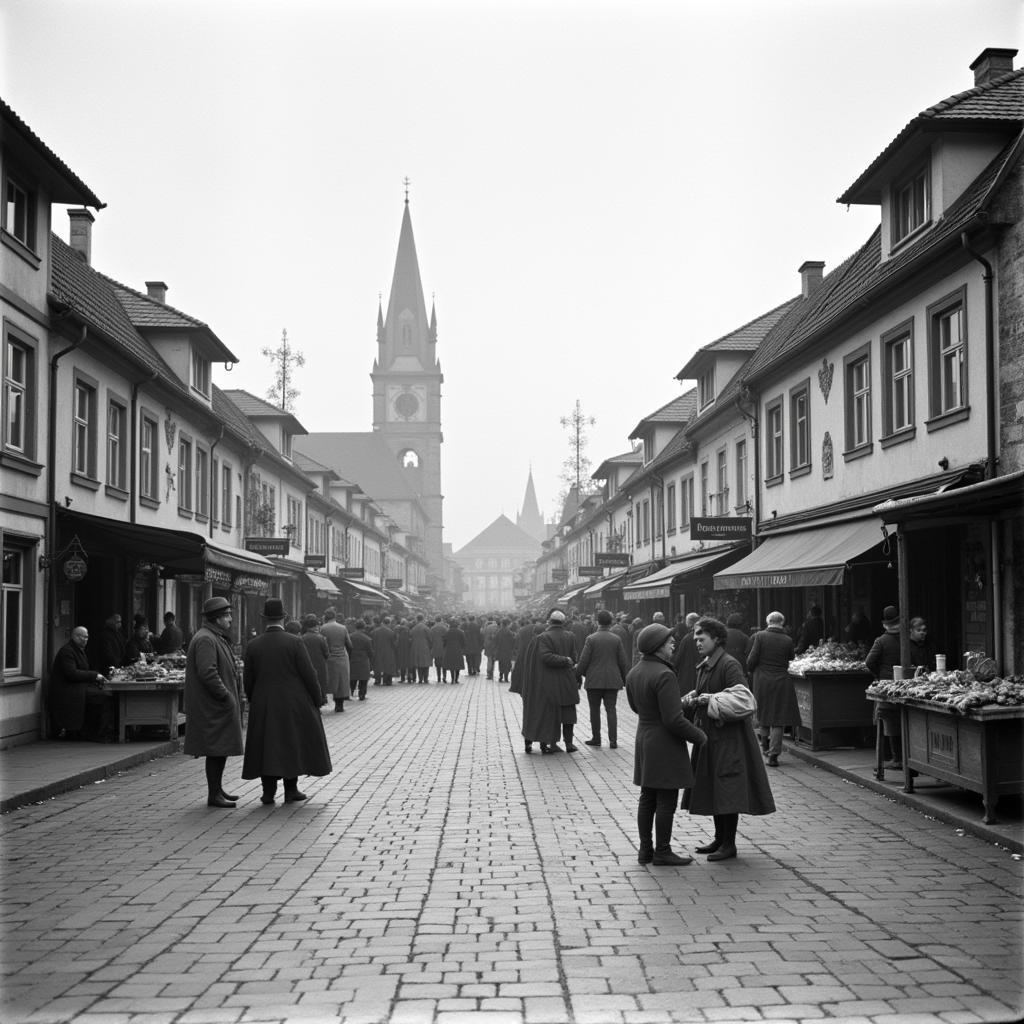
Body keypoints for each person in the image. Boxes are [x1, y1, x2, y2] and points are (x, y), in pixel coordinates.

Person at [681, 616, 776, 861]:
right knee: (715, 786)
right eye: (695, 639)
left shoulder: (728, 664)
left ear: (716, 639)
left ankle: (729, 844)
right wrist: (695, 696)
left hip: (729, 739)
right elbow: (709, 691)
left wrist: (707, 700)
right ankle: (719, 838)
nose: (697, 643)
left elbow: (742, 698)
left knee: (727, 788)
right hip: (711, 737)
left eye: (701, 638)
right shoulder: (708, 663)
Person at [626, 623, 707, 865]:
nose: (673, 644)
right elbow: (673, 719)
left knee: (647, 796)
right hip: (664, 743)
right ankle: (662, 851)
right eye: (668, 641)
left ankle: (645, 850)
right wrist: (699, 736)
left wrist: (679, 703)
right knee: (666, 800)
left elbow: (635, 707)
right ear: (657, 647)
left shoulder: (634, 672)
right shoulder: (665, 674)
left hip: (645, 737)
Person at [242, 598, 332, 805]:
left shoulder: (254, 645)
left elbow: (248, 678)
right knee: (291, 742)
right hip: (293, 700)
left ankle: (268, 792)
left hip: (264, 700)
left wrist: (252, 698)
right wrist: (317, 697)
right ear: (284, 618)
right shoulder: (295, 642)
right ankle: (291, 789)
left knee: (267, 744)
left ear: (264, 619)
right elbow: (309, 673)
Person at [183, 597, 244, 808]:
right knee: (216, 748)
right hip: (213, 705)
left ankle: (217, 789)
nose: (230, 619)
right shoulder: (206, 639)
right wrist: (226, 695)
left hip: (216, 705)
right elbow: (208, 672)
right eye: (227, 615)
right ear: (217, 618)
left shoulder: (213, 636)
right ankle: (214, 794)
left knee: (220, 748)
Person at [518, 609, 579, 754]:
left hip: (550, 682)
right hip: (567, 681)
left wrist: (563, 660)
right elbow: (574, 657)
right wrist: (568, 661)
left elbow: (546, 657)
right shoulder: (570, 636)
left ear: (549, 622)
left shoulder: (542, 638)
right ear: (563, 622)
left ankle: (553, 743)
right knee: (568, 713)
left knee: (552, 714)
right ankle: (569, 743)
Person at [746, 611, 799, 767]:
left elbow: (752, 658)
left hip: (762, 680)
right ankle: (774, 755)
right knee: (778, 718)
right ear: (782, 623)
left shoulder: (760, 636)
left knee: (763, 712)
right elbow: (791, 657)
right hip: (782, 680)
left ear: (768, 621)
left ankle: (764, 746)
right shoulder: (788, 639)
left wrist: (751, 670)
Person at [575, 608, 630, 749]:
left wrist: (577, 675)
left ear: (597, 621)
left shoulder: (591, 639)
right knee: (611, 709)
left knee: (594, 710)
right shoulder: (616, 639)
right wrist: (627, 679)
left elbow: (584, 660)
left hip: (594, 680)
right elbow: (623, 662)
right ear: (610, 622)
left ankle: (596, 738)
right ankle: (613, 740)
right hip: (612, 680)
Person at [48, 626, 113, 741]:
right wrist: (94, 676)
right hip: (68, 690)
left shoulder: (78, 650)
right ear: (75, 637)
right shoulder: (67, 651)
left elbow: (85, 670)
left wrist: (97, 675)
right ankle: (100, 734)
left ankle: (97, 731)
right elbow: (72, 674)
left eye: (87, 637)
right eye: (83, 637)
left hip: (77, 686)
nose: (86, 640)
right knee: (105, 696)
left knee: (105, 693)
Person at [865, 605, 905, 769]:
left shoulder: (881, 641)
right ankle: (903, 756)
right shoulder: (906, 639)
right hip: (907, 683)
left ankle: (895, 757)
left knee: (887, 721)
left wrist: (878, 675)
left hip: (887, 685)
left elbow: (869, 662)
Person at [320, 607, 353, 711]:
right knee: (341, 681)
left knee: (330, 680)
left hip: (329, 658)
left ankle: (325, 699)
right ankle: (340, 705)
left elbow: (321, 643)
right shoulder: (343, 628)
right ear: (335, 616)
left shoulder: (323, 628)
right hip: (342, 657)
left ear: (325, 617)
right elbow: (349, 645)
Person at [299, 614, 331, 705]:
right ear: (315, 626)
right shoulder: (321, 638)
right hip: (320, 665)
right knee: (320, 683)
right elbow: (326, 654)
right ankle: (320, 700)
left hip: (306, 665)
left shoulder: (301, 638)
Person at [672, 612, 700, 697]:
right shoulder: (706, 635)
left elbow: (679, 657)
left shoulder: (687, 638)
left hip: (688, 673)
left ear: (689, 623)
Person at [349, 619, 374, 701]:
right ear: (363, 628)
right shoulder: (367, 639)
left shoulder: (350, 637)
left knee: (352, 678)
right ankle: (362, 694)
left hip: (352, 659)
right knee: (363, 679)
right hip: (363, 660)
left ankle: (350, 693)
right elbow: (370, 652)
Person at [373, 615, 398, 686]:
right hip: (388, 651)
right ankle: (387, 681)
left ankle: (377, 680)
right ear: (389, 623)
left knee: (377, 665)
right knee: (388, 666)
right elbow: (394, 643)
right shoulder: (391, 632)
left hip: (378, 651)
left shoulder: (375, 631)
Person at [724, 613, 751, 678]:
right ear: (740, 624)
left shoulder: (721, 635)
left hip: (724, 668)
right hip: (739, 670)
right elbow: (749, 655)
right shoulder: (744, 637)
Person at [409, 613, 432, 684]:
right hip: (425, 646)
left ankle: (420, 679)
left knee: (419, 664)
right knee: (426, 663)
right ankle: (426, 678)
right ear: (423, 619)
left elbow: (411, 636)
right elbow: (430, 638)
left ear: (417, 619)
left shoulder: (414, 628)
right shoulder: (426, 628)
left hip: (416, 647)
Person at [443, 617, 467, 684]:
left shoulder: (447, 632)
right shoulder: (461, 632)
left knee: (451, 664)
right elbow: (464, 642)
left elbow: (444, 641)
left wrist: (445, 647)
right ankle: (456, 679)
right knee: (457, 664)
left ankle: (452, 678)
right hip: (458, 649)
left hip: (449, 649)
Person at [494, 618, 516, 683]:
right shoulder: (510, 632)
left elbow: (496, 641)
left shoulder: (499, 631)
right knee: (507, 664)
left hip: (500, 651)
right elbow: (513, 642)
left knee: (501, 664)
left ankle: (500, 677)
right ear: (507, 624)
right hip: (508, 651)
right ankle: (506, 678)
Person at [429, 616, 448, 683]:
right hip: (443, 648)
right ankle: (444, 676)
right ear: (441, 620)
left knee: (437, 664)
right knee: (444, 664)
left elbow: (430, 639)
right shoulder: (444, 628)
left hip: (436, 648)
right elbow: (447, 637)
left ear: (435, 620)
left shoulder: (432, 628)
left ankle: (439, 677)